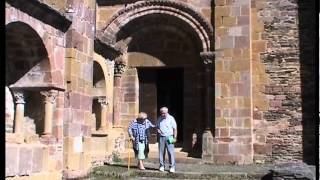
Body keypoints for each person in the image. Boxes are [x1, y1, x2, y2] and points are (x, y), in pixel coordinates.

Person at [156, 107, 177, 173]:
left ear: (167, 112)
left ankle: (172, 167)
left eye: (164, 113)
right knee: (161, 152)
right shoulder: (159, 118)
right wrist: (158, 130)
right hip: (161, 137)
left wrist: (175, 138)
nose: (163, 114)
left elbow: (175, 129)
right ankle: (162, 166)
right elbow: (157, 127)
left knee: (171, 152)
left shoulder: (171, 118)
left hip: (170, 137)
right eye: (161, 113)